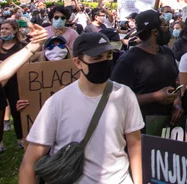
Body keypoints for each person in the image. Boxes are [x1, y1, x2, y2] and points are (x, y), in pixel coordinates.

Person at [19, 32, 144, 183]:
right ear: (78, 62)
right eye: (96, 58)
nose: (104, 62)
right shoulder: (57, 103)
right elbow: (29, 163)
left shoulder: (125, 94)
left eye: (109, 56)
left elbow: (135, 145)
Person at [111, 9, 182, 126]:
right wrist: (154, 97)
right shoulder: (128, 61)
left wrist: (177, 101)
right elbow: (118, 98)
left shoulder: (167, 52)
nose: (168, 30)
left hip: (167, 125)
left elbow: (176, 81)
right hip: (139, 128)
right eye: (165, 26)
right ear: (155, 32)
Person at [0, 19, 27, 151]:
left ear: (15, 30)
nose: (3, 31)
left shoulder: (22, 47)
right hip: (0, 86)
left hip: (17, 83)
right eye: (2, 28)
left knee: (17, 112)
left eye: (7, 29)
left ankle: (21, 138)